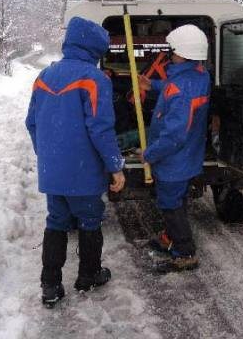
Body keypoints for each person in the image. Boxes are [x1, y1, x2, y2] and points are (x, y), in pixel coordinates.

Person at [25, 16, 126, 308]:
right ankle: (89, 274)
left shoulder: (43, 76)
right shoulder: (94, 80)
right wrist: (114, 166)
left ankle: (50, 285)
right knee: (90, 220)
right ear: (96, 49)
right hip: (84, 173)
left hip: (52, 171)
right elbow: (101, 129)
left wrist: (47, 155)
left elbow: (31, 122)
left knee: (56, 222)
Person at [138, 24, 210, 273]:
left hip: (173, 160)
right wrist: (152, 85)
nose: (170, 53)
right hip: (188, 155)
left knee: (170, 204)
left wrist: (149, 154)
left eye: (173, 50)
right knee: (178, 199)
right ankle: (171, 237)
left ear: (183, 52)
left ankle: (185, 252)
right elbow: (173, 87)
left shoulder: (181, 89)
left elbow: (173, 136)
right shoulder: (198, 75)